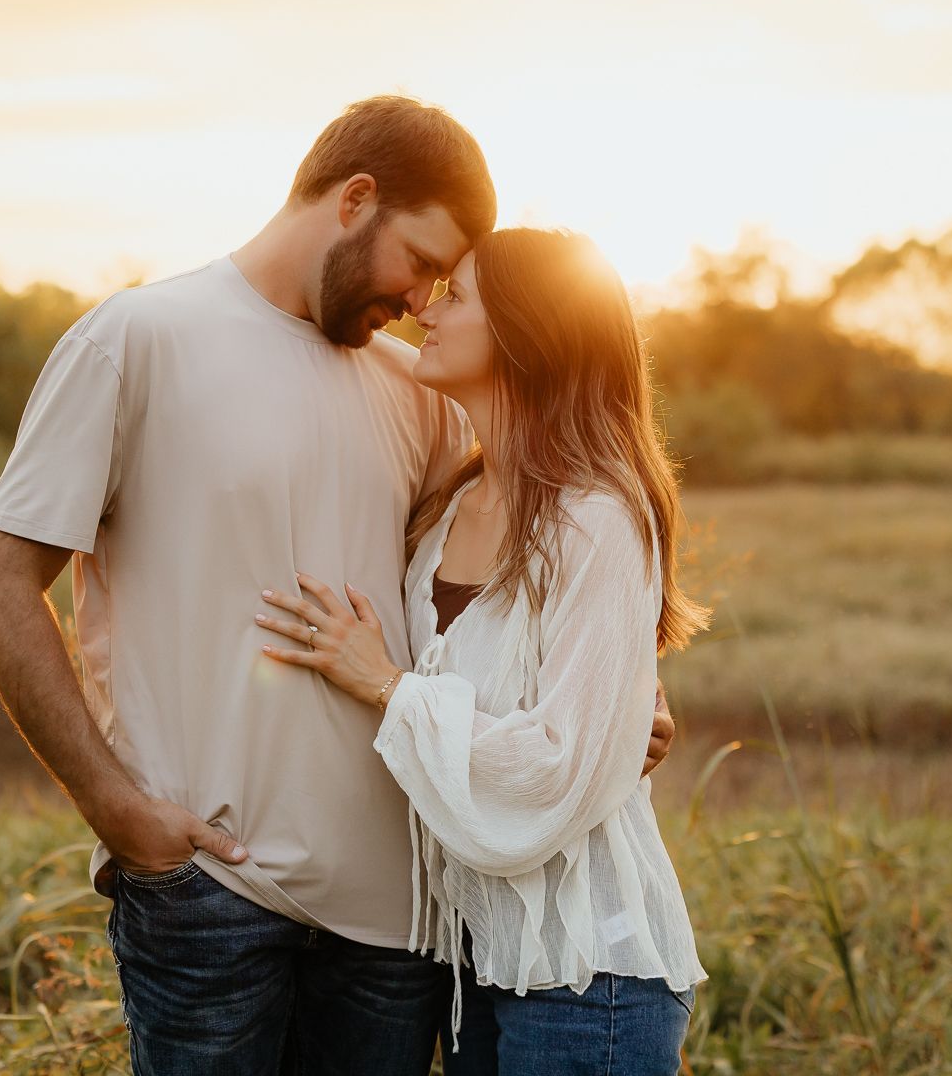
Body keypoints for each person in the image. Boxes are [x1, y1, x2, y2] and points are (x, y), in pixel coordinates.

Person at [0, 97, 676, 1076]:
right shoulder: (135, 338)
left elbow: (510, 563)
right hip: (210, 889)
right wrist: (117, 809)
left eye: (447, 284)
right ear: (356, 198)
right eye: (422, 262)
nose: (425, 298)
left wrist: (629, 687)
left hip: (403, 921)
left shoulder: (411, 385)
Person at [256, 227, 710, 1075]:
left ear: (523, 332)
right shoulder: (450, 505)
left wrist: (387, 687)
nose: (424, 307)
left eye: (454, 295)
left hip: (586, 974)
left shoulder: (599, 517)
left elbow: (555, 764)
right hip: (476, 964)